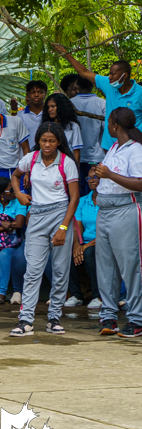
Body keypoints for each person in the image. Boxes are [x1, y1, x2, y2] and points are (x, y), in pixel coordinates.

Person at [9, 122, 79, 337]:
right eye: (43, 140)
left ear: (59, 142)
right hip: (37, 215)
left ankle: (54, 317)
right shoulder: (30, 159)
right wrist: (19, 194)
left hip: (60, 214)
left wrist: (63, 227)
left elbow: (74, 197)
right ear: (38, 141)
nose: (47, 144)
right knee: (33, 271)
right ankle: (26, 320)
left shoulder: (66, 163)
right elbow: (15, 175)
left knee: (60, 270)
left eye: (51, 140)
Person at [91, 108, 142, 338]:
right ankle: (109, 316)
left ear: (115, 125)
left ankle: (137, 319)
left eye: (109, 122)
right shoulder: (113, 148)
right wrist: (98, 179)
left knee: (131, 267)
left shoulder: (136, 149)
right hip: (105, 210)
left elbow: (140, 183)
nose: (108, 126)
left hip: (126, 210)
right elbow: (108, 176)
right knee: (106, 267)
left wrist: (109, 175)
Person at [56, 43, 142, 151]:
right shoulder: (109, 85)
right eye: (109, 74)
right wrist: (65, 53)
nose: (109, 77)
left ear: (124, 75)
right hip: (109, 148)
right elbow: (84, 72)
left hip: (133, 148)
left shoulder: (140, 93)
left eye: (113, 74)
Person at [69, 187, 97, 309]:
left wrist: (84, 246)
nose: (92, 180)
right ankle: (76, 295)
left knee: (89, 253)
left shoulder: (107, 201)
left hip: (104, 242)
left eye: (96, 177)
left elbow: (108, 230)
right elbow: (77, 226)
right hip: (85, 242)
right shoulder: (82, 201)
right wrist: (77, 245)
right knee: (67, 254)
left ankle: (98, 296)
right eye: (89, 178)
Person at [43, 93, 83, 162]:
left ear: (61, 107)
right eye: (48, 107)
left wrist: (75, 170)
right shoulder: (46, 126)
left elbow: (76, 152)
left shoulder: (73, 127)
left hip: (67, 165)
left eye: (53, 106)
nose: (50, 109)